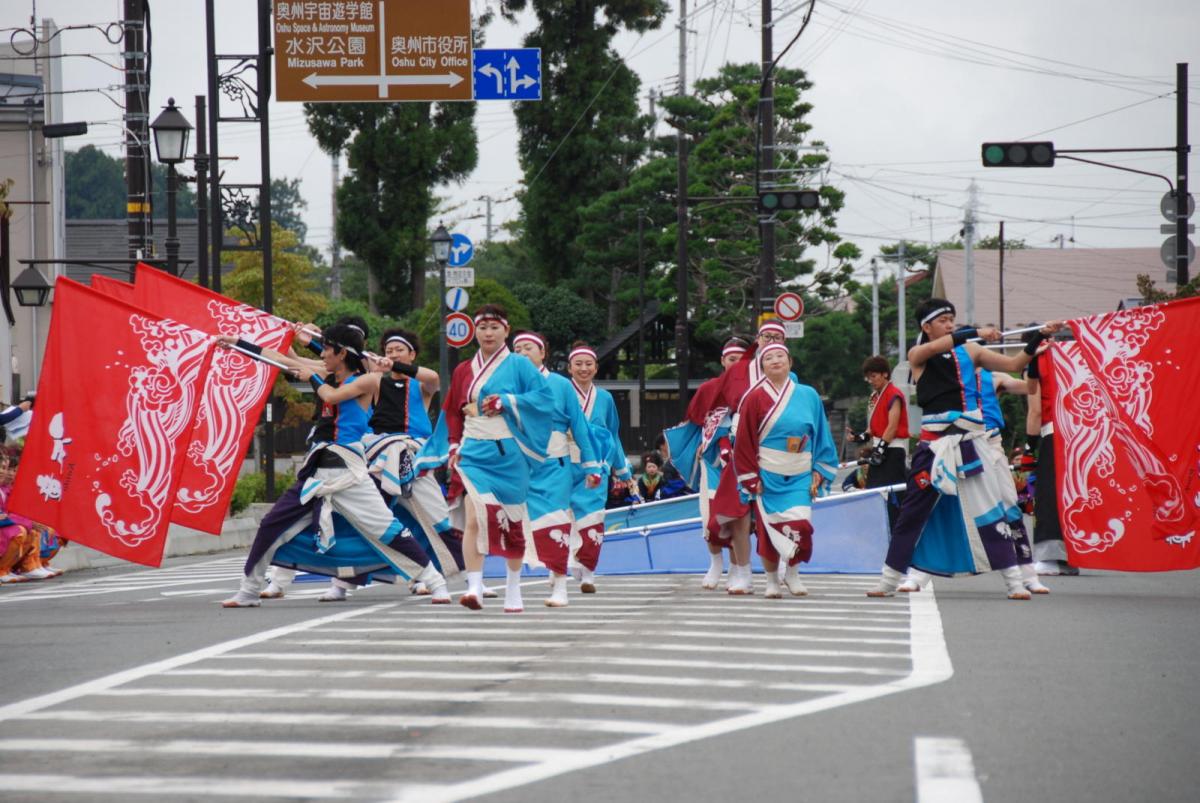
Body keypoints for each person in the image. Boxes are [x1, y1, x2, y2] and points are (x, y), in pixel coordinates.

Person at [220, 322, 451, 608]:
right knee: (271, 524)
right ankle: (249, 590)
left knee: (389, 530)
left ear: (341, 353)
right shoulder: (326, 374)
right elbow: (281, 359)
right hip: (317, 471)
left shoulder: (367, 380)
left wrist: (314, 377)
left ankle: (436, 582)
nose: (323, 355)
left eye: (328, 349)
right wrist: (238, 343)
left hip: (350, 471)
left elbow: (331, 395)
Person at [866, 299, 1062, 599]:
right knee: (912, 514)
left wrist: (1037, 339)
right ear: (926, 326)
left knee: (990, 511)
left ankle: (1014, 582)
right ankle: (888, 580)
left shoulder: (971, 351)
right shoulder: (918, 355)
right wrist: (975, 331)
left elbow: (1013, 365)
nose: (949, 323)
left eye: (952, 319)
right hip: (934, 448)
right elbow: (933, 348)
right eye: (942, 319)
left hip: (972, 443)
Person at [441, 305, 553, 612]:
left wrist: (508, 401)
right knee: (475, 516)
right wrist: (452, 445)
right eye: (483, 328)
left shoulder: (519, 365)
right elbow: (452, 410)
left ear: (506, 330)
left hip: (511, 452)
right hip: (474, 449)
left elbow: (544, 400)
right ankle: (474, 587)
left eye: (494, 327)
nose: (488, 333)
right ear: (474, 332)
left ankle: (513, 588)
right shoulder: (464, 369)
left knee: (511, 521)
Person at [734, 344, 838, 598]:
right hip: (767, 475)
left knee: (799, 524)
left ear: (790, 362)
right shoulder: (753, 397)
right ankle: (771, 580)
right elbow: (744, 441)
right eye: (768, 358)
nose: (775, 361)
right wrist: (750, 477)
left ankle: (792, 573)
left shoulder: (809, 395)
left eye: (780, 356)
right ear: (762, 368)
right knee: (768, 533)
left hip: (800, 472)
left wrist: (819, 469)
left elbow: (821, 433)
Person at [511, 330, 601, 607]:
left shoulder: (561, 385)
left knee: (555, 520)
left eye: (528, 347)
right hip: (516, 460)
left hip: (555, 460)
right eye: (517, 349)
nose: (523, 353)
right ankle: (509, 587)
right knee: (512, 522)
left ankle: (560, 582)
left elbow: (580, 427)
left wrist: (591, 465)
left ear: (543, 353)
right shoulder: (506, 383)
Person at [708, 321, 797, 595]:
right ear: (757, 340)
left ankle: (783, 564)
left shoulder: (792, 380)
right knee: (738, 511)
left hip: (777, 451)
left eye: (777, 338)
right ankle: (743, 572)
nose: (770, 341)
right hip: (739, 447)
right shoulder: (738, 373)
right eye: (766, 336)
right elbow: (716, 408)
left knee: (779, 509)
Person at [663, 336, 748, 590]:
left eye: (742, 360)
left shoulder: (754, 387)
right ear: (723, 361)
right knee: (709, 514)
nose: (736, 364)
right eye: (732, 359)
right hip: (712, 459)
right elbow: (695, 422)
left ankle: (736, 567)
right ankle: (715, 562)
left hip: (740, 459)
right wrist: (701, 442)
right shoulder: (708, 389)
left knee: (736, 515)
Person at [565, 342, 635, 594]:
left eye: (588, 364)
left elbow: (613, 434)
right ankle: (567, 561)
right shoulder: (562, 392)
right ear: (569, 368)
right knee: (564, 516)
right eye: (578, 364)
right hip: (564, 463)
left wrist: (623, 469)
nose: (583, 369)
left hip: (596, 466)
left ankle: (589, 571)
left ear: (596, 368)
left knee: (593, 517)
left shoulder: (604, 398)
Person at [1024, 332, 1077, 576]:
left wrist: (1028, 447)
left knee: (1048, 494)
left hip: (1054, 432)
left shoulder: (1040, 361)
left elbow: (1035, 411)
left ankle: (1049, 557)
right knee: (1076, 493)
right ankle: (1074, 554)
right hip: (1085, 434)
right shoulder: (1085, 359)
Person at [845, 355, 909, 529]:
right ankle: (880, 530)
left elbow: (892, 427)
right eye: (868, 377)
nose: (870, 380)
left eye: (874, 376)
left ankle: (897, 532)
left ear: (885, 374)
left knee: (894, 495)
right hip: (881, 450)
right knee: (874, 492)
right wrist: (858, 437)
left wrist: (879, 451)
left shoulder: (894, 394)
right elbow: (873, 430)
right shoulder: (875, 397)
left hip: (893, 450)